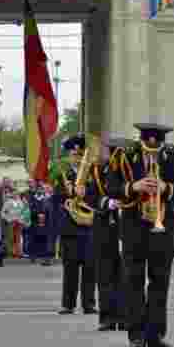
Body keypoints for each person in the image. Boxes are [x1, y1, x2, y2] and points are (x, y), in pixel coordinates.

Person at [107, 122, 174, 347]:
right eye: (148, 145)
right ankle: (136, 333)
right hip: (134, 225)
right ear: (141, 141)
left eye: (157, 145)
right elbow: (112, 187)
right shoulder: (124, 156)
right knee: (134, 280)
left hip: (162, 226)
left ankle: (156, 333)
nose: (152, 149)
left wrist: (166, 188)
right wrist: (134, 186)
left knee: (160, 280)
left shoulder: (171, 156)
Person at [92, 136, 131, 331]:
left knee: (125, 274)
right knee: (105, 274)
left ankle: (124, 317)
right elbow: (92, 195)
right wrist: (106, 203)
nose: (102, 154)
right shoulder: (97, 171)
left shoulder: (128, 172)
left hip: (126, 227)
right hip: (105, 226)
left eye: (106, 150)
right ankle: (107, 317)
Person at [56, 135, 97, 316]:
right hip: (70, 228)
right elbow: (56, 198)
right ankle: (68, 304)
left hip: (89, 227)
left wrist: (86, 192)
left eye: (81, 154)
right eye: (74, 154)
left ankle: (89, 304)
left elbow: (99, 195)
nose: (78, 157)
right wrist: (69, 192)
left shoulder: (93, 173)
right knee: (70, 269)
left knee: (90, 268)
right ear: (69, 155)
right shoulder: (63, 174)